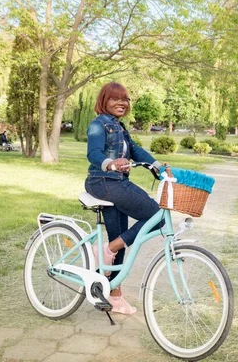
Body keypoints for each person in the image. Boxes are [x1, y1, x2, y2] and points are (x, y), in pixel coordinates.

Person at [85, 82, 165, 315]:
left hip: (116, 184)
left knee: (118, 237)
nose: (122, 103)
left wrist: (159, 167)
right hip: (103, 182)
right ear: (104, 101)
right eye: (115, 99)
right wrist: (110, 163)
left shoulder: (120, 127)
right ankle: (107, 251)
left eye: (125, 99)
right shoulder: (98, 124)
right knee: (157, 215)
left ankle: (115, 294)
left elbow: (135, 150)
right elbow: (93, 153)